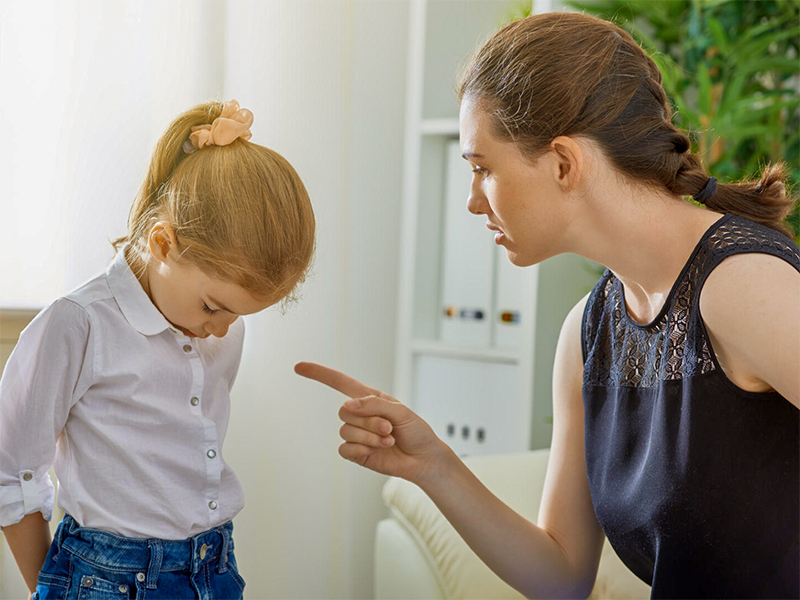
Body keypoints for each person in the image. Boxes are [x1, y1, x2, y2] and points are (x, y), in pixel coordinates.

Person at [296, 12, 799, 599]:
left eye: (483, 169)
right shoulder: (587, 334)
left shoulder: (741, 284)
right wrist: (434, 464)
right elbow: (562, 576)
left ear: (564, 162)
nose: (471, 201)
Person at [0, 99, 315, 599]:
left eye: (239, 315)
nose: (223, 329)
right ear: (162, 243)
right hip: (106, 577)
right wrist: (53, 586)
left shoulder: (223, 332)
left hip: (213, 568)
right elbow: (10, 470)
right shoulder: (79, 323)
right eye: (213, 306)